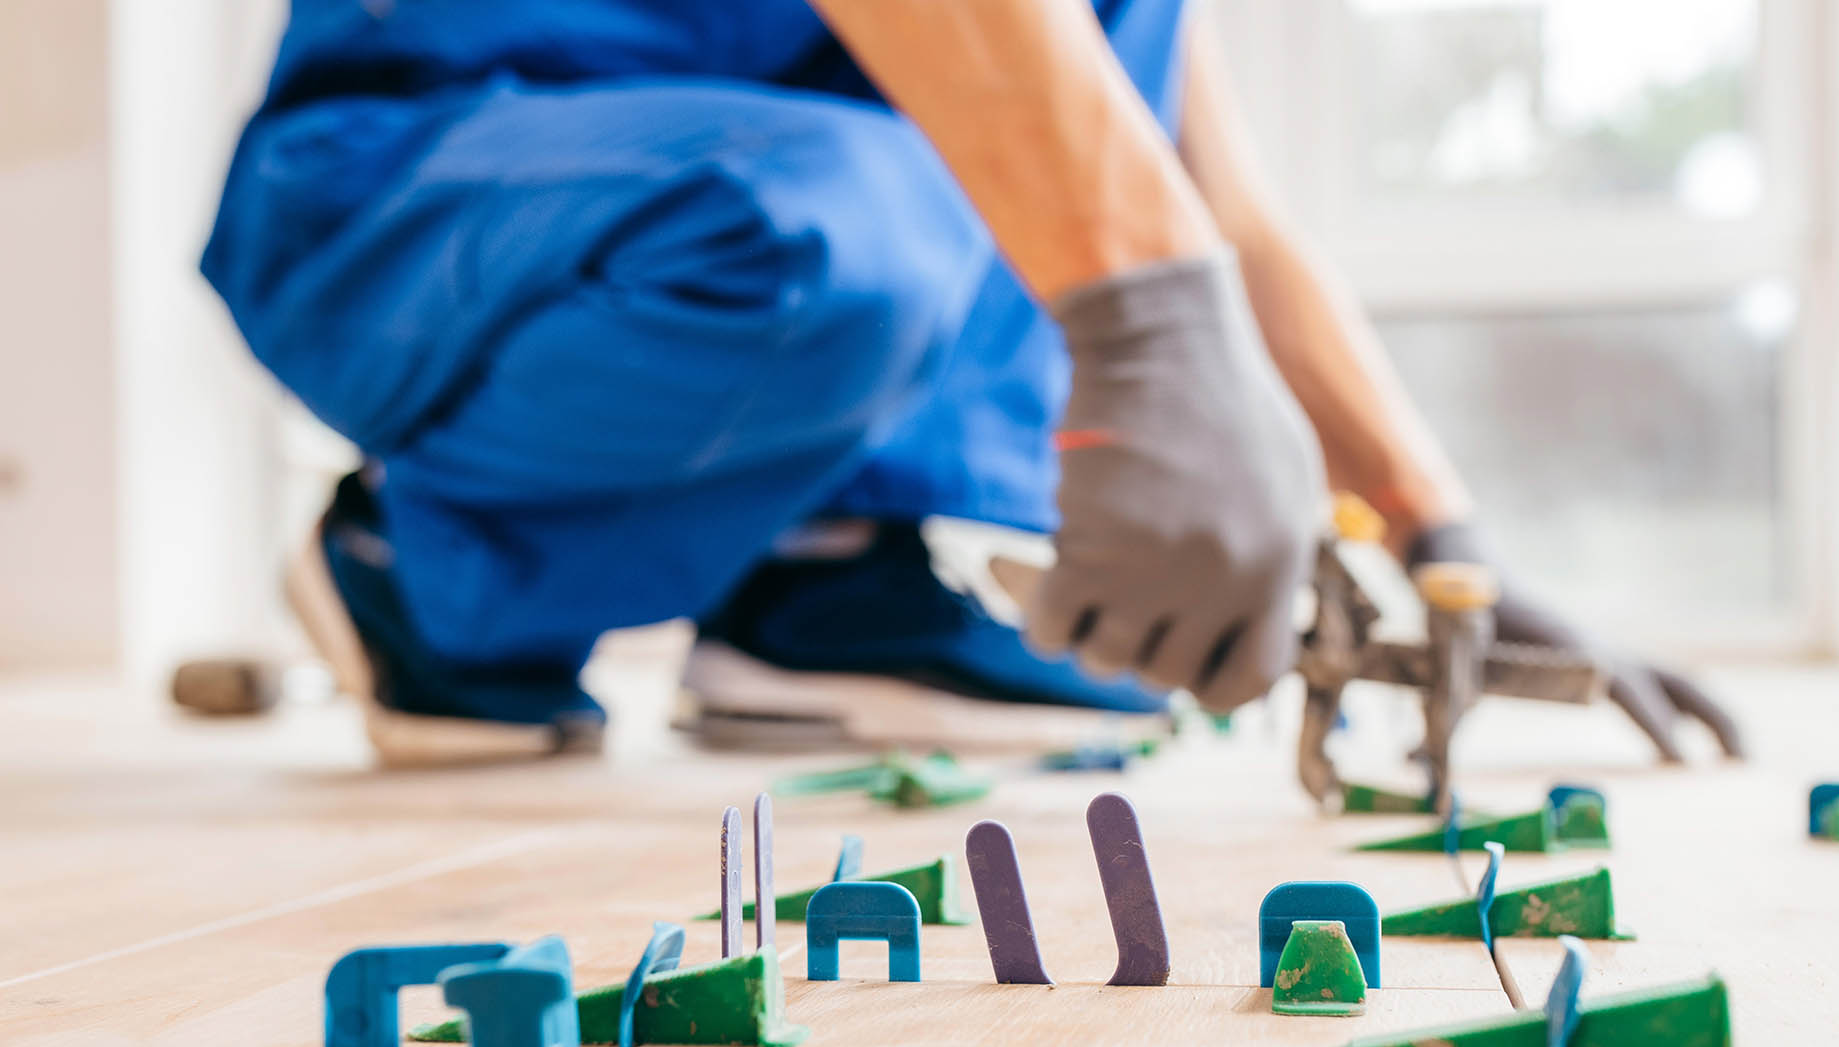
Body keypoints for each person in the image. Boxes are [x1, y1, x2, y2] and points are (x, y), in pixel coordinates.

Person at [203, 0, 1741, 766]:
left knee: (951, 188)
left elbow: (1217, 213)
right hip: (418, 195)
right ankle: (423, 565)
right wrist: (1152, 326)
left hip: (776, 231)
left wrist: (1442, 536)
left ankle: (810, 580)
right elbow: (1147, 254)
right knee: (838, 225)